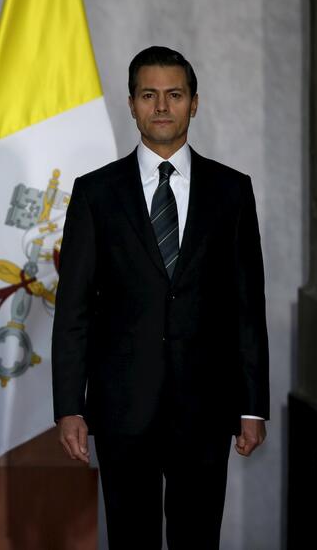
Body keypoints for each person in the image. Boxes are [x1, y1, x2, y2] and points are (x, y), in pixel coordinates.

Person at [51, 46, 270, 549]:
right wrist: (69, 406)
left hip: (206, 405)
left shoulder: (232, 191)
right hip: (122, 407)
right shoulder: (95, 193)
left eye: (174, 95)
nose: (162, 106)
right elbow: (75, 311)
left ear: (195, 103)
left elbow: (246, 305)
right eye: (149, 95)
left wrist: (253, 406)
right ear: (131, 104)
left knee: (198, 539)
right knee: (131, 539)